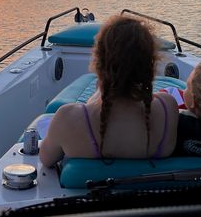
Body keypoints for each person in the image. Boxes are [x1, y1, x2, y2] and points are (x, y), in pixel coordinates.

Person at [39, 15, 179, 167]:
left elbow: (46, 159)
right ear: (150, 64)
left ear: (98, 61)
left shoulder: (68, 119)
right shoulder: (168, 109)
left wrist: (99, 93)